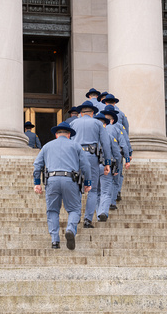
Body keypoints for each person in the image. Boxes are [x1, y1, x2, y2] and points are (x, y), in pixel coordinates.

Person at [33, 121, 92, 250]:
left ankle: (55, 241)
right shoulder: (76, 146)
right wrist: (87, 182)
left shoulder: (47, 146)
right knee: (74, 210)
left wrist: (37, 183)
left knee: (53, 210)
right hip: (70, 180)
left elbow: (37, 165)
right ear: (69, 134)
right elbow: (86, 166)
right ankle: (70, 229)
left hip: (52, 180)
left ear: (56, 135)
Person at [70, 100, 112, 228]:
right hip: (91, 156)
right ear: (92, 113)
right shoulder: (97, 123)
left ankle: (75, 216)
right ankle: (87, 220)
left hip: (76, 156)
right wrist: (107, 162)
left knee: (77, 187)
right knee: (93, 189)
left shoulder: (73, 123)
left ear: (81, 113)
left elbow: (69, 142)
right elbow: (106, 144)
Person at [101, 94, 131, 204]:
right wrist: (127, 157)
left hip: (100, 156)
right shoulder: (118, 127)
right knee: (116, 177)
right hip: (115, 155)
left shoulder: (99, 126)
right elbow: (124, 142)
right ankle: (113, 200)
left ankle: (103, 203)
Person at [93, 112, 122, 222]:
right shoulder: (109, 137)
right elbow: (117, 155)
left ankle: (98, 214)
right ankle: (103, 212)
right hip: (106, 167)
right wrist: (117, 168)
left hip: (94, 167)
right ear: (105, 125)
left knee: (96, 192)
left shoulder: (91, 138)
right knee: (105, 192)